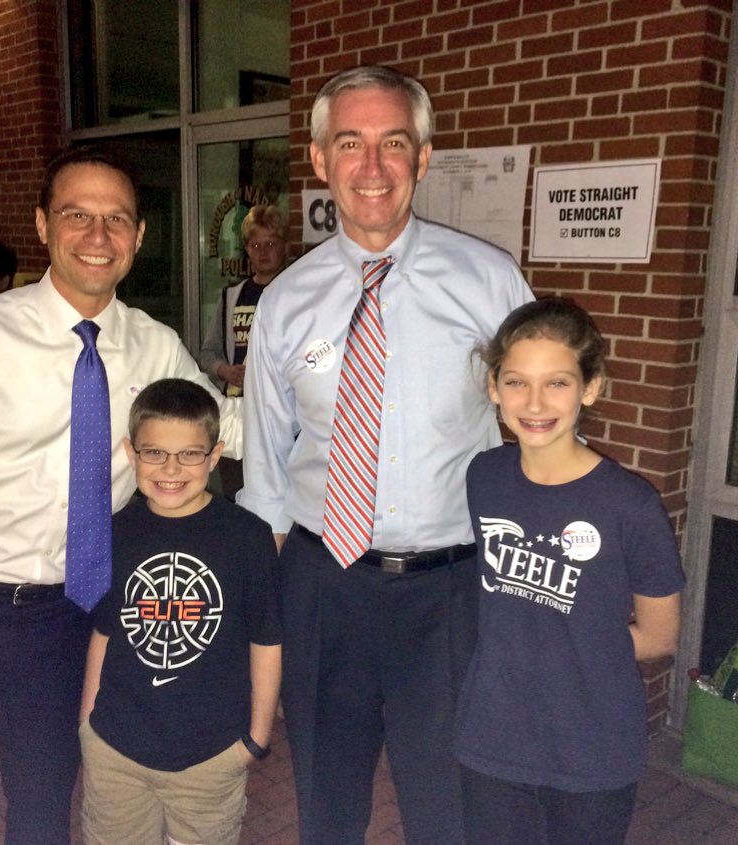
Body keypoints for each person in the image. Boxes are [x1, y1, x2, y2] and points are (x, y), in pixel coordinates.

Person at [0, 144, 240, 845]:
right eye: (77, 215)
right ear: (42, 224)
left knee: (42, 802)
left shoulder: (153, 348)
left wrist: (345, 410)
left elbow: (227, 426)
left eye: (116, 219)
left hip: (67, 615)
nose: (98, 236)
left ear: (139, 236)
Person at [238, 64, 534, 845]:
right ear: (319, 159)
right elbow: (267, 472)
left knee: (448, 807)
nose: (372, 167)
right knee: (326, 805)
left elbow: (541, 433)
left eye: (393, 143)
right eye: (350, 143)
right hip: (321, 585)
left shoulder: (490, 280)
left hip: (448, 593)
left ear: (424, 157)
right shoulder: (285, 300)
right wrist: (263, 614)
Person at [453, 297, 684, 845]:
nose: (534, 403)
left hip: (591, 746)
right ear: (493, 387)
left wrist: (568, 639)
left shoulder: (630, 505)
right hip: (492, 739)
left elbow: (659, 637)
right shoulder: (484, 477)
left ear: (591, 388)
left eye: (557, 383)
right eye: (516, 382)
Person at [78, 378, 281, 845]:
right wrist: (89, 724)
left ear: (215, 456)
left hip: (211, 756)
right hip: (116, 750)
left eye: (190, 454)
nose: (171, 468)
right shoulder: (118, 531)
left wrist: (256, 739)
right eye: (154, 453)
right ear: (131, 452)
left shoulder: (247, 537)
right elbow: (106, 633)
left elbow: (266, 641)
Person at [199, 204, 288, 498]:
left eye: (271, 243)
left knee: (279, 498)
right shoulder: (232, 296)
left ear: (283, 246)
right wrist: (226, 371)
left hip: (282, 415)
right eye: (255, 244)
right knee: (235, 497)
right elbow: (208, 353)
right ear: (247, 249)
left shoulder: (296, 294)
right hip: (238, 414)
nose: (263, 251)